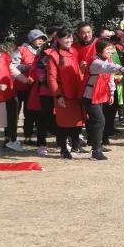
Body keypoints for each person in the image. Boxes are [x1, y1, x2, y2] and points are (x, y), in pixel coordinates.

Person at [82, 39, 124, 161]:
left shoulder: (107, 60)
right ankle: (96, 151)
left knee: (97, 121)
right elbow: (106, 67)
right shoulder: (96, 62)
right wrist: (121, 68)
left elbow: (110, 78)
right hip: (90, 95)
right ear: (100, 50)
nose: (111, 52)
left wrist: (111, 93)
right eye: (108, 50)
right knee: (100, 121)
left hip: (100, 95)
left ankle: (96, 146)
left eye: (111, 49)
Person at [46, 28, 87, 159]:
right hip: (63, 92)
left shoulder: (75, 51)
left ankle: (76, 146)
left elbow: (76, 71)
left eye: (70, 37)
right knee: (63, 123)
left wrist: (82, 69)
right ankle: (63, 148)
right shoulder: (53, 55)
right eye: (65, 38)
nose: (69, 40)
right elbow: (51, 77)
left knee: (78, 122)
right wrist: (58, 95)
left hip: (76, 91)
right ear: (58, 39)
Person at [13, 29, 47, 145]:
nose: (40, 41)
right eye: (38, 38)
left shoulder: (43, 52)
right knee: (14, 113)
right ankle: (10, 138)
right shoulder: (21, 49)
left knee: (30, 113)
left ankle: (28, 137)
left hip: (32, 88)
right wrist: (29, 68)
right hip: (18, 87)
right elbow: (13, 66)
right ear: (31, 39)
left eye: (42, 39)